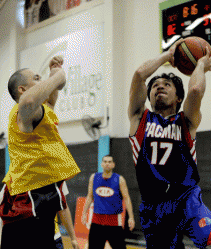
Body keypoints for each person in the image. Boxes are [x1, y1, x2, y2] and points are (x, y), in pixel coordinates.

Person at [127, 39, 211, 248]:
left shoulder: (186, 120)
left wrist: (200, 65)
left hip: (185, 197)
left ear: (178, 96)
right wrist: (167, 55)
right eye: (155, 86)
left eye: (167, 85)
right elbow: (139, 74)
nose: (159, 87)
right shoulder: (139, 118)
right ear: (149, 94)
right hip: (153, 205)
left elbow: (196, 90)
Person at [0, 56, 81, 249]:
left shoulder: (43, 111)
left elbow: (51, 100)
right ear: (23, 89)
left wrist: (54, 70)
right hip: (29, 200)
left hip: (40, 197)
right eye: (37, 78)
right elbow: (29, 100)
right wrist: (58, 76)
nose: (43, 82)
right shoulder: (24, 110)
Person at [82, 155, 135, 249]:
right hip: (97, 223)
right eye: (105, 161)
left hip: (114, 224)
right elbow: (90, 196)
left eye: (110, 162)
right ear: (102, 164)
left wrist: (131, 217)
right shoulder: (94, 177)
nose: (107, 163)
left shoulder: (119, 179)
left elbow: (127, 198)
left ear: (113, 165)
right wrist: (84, 213)